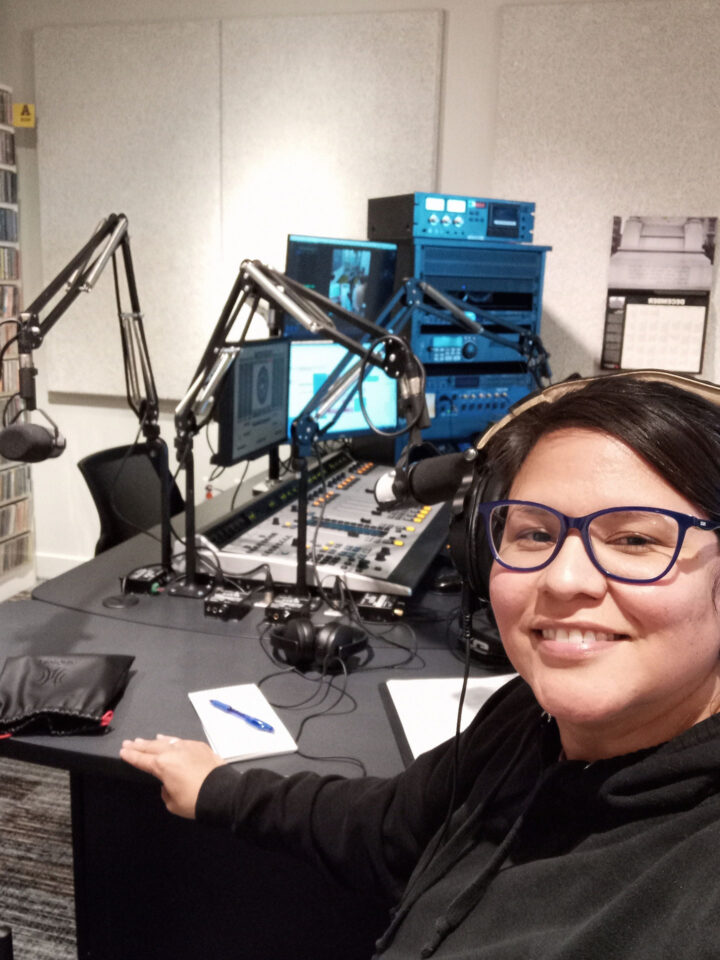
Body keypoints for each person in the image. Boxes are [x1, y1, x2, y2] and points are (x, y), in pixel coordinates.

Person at [120, 373, 720, 959]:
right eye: (535, 534)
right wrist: (223, 789)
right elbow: (389, 826)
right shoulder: (525, 720)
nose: (564, 579)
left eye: (636, 541)